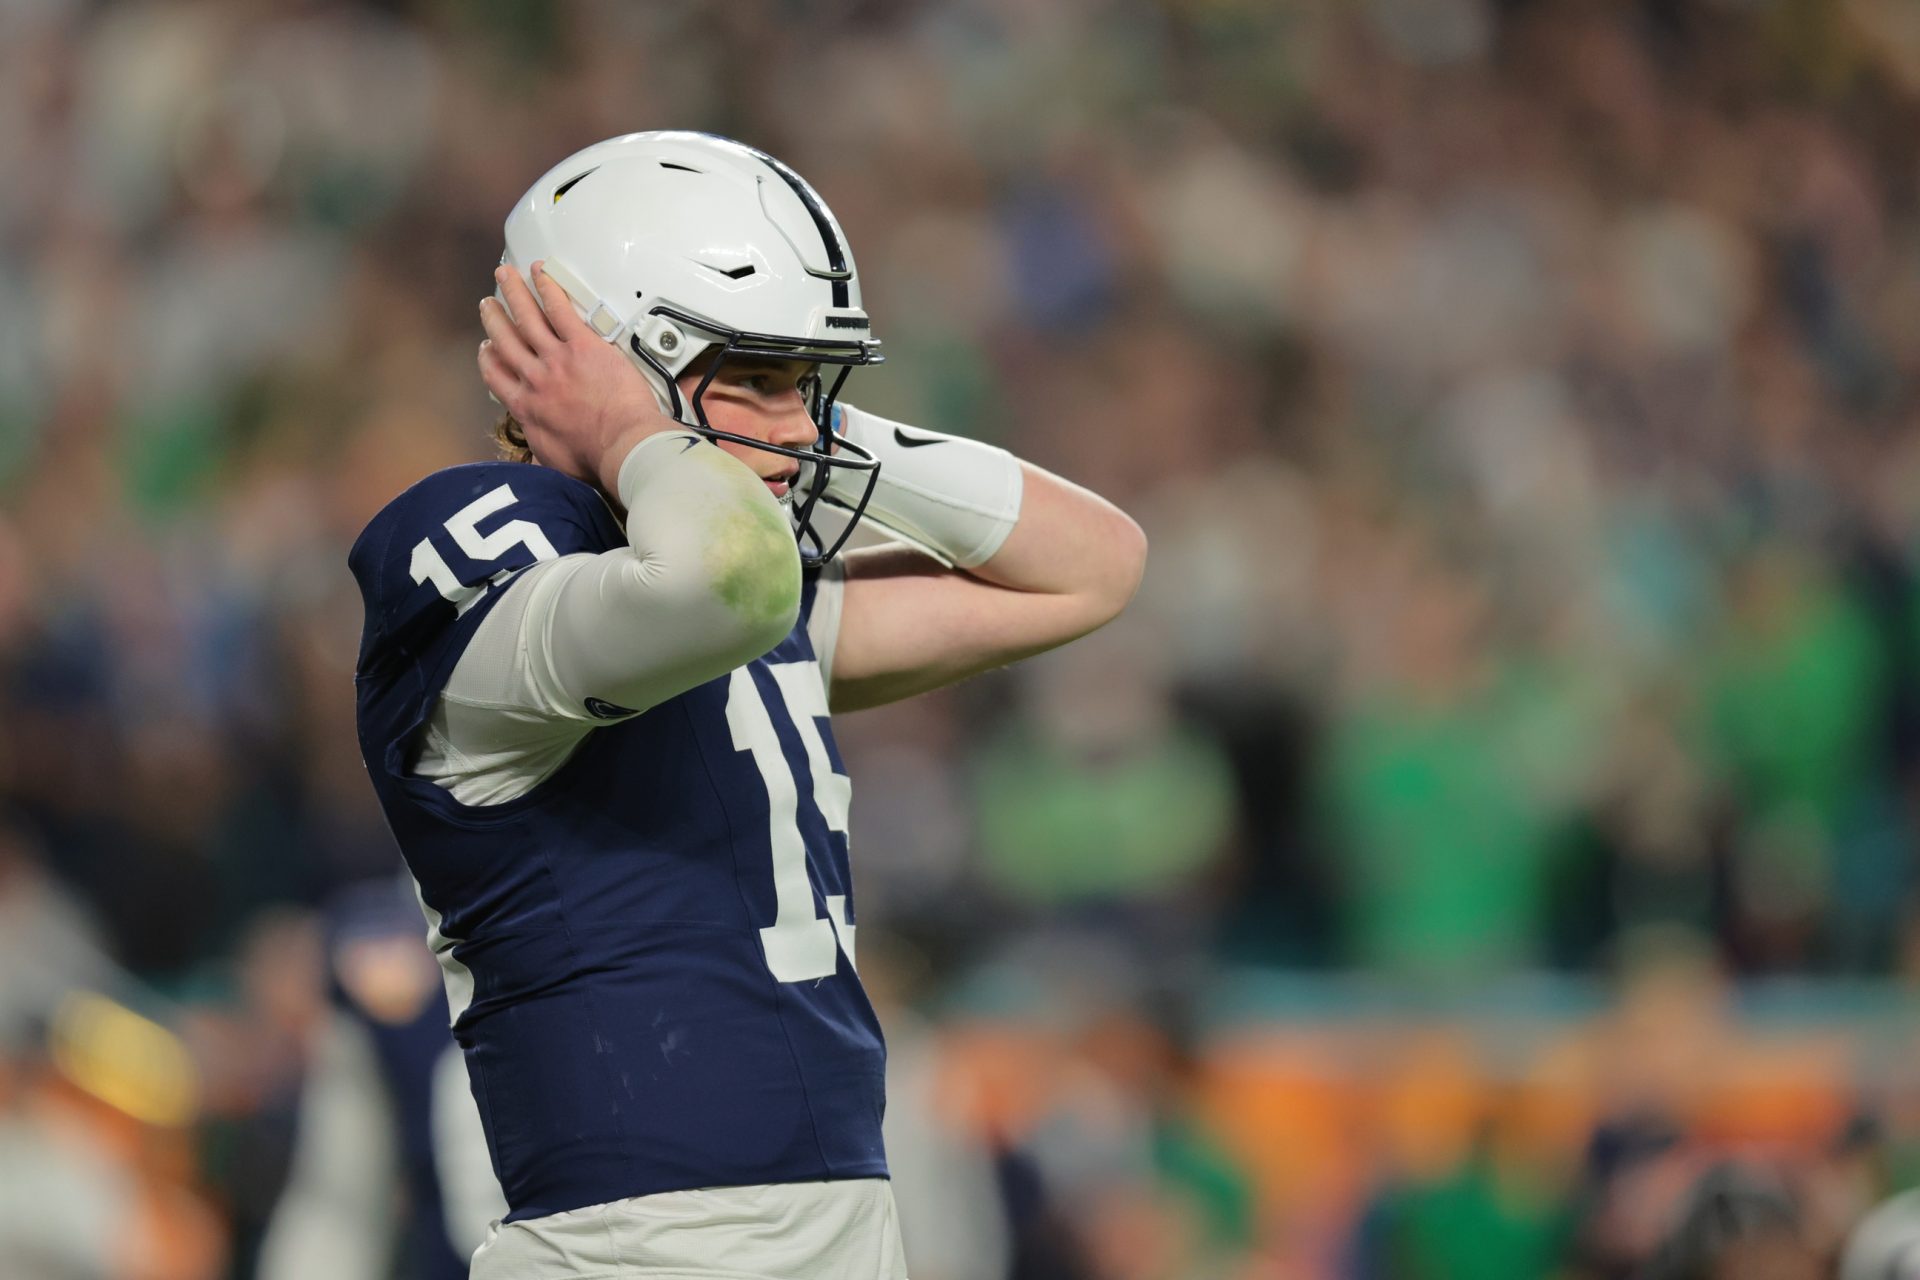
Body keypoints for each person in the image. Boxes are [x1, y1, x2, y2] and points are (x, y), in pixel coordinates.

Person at [348, 129, 1146, 1279]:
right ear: (608, 352)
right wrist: (635, 427)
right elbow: (726, 579)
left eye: (811, 384)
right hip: (635, 1246)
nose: (803, 426)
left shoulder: (721, 582)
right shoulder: (496, 552)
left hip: (832, 1232)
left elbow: (1095, 564)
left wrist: (783, 429)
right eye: (762, 377)